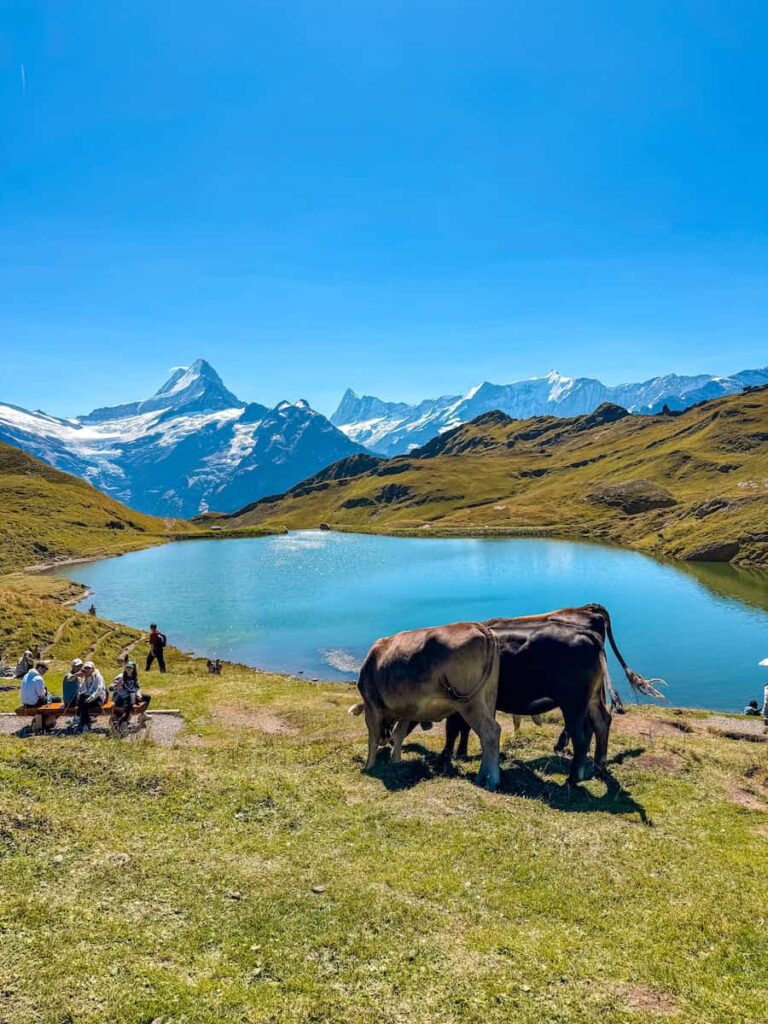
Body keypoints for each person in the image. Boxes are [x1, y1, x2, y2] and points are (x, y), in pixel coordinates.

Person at [111, 661, 150, 728]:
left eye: (130, 668)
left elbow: (137, 688)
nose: (128, 669)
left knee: (147, 697)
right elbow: (111, 688)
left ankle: (142, 715)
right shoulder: (121, 676)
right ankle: (120, 724)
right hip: (122, 697)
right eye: (127, 667)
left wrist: (138, 695)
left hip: (133, 696)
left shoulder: (135, 677)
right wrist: (117, 685)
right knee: (128, 707)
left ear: (133, 669)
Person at [76, 661, 106, 731]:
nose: (87, 670)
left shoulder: (98, 676)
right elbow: (82, 691)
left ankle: (82, 722)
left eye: (89, 668)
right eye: (86, 668)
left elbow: (100, 689)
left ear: (93, 669)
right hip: (88, 698)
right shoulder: (84, 678)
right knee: (82, 699)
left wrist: (92, 697)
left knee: (85, 703)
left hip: (98, 698)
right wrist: (81, 679)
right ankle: (86, 723)